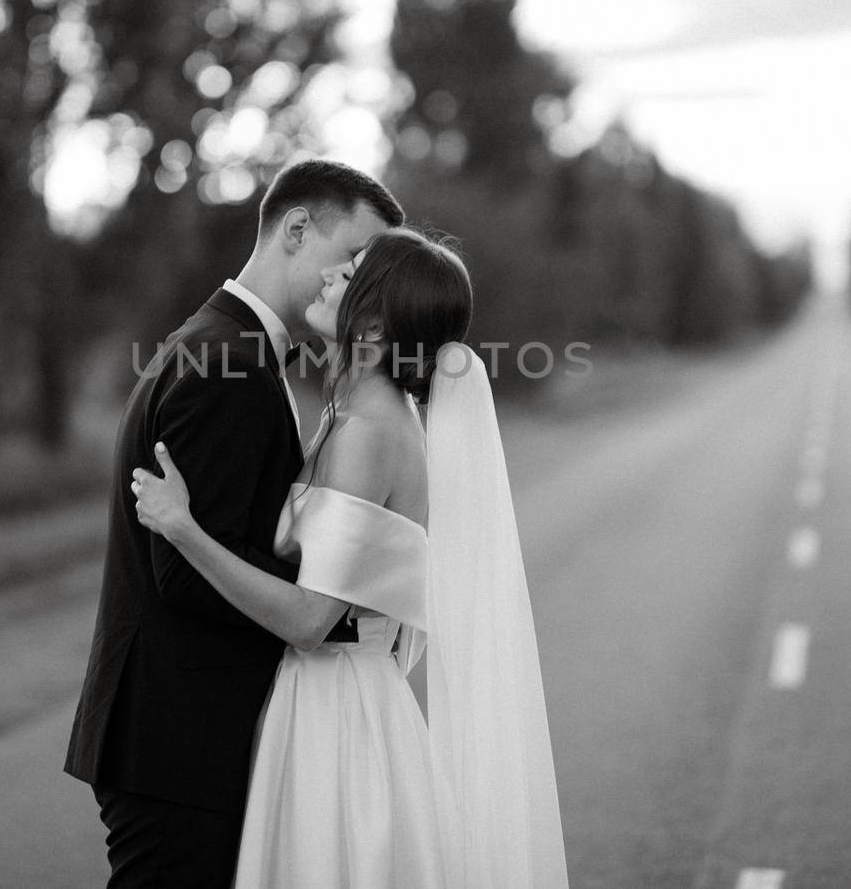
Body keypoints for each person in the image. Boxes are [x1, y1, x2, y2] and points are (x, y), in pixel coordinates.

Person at [131, 229, 569, 887]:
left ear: (375, 318)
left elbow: (310, 620)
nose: (331, 277)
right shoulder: (357, 415)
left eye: (352, 273)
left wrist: (183, 527)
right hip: (342, 694)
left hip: (340, 716)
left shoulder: (367, 434)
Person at [63, 159, 403, 887]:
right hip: (179, 739)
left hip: (179, 733)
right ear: (296, 227)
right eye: (351, 260)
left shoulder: (231, 346)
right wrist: (340, 616)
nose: (357, 285)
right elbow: (183, 572)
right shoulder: (229, 364)